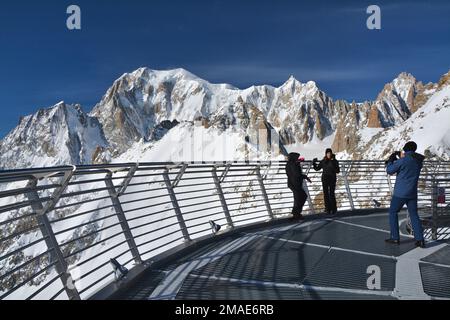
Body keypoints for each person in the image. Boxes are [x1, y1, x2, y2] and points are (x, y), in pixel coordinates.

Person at [385, 141, 426, 248]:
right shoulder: (418, 161)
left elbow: (390, 171)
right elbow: (409, 166)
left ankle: (395, 238)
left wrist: (391, 160)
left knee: (393, 212)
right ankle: (420, 239)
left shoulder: (403, 161)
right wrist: (400, 158)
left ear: (406, 149)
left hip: (400, 193)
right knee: (414, 215)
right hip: (412, 193)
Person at [313, 148, 340, 214]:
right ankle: (327, 209)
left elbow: (338, 171)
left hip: (332, 178)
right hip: (325, 178)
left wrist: (332, 163)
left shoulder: (335, 161)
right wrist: (314, 163)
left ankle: (334, 209)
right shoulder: (323, 161)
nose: (329, 154)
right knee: (325, 194)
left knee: (331, 194)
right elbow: (317, 168)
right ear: (326, 154)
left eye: (330, 153)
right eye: (328, 153)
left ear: (331, 153)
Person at [285, 152, 312, 220]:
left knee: (298, 198)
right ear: (293, 157)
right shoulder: (293, 164)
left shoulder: (289, 164)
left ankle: (296, 214)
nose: (297, 159)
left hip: (293, 184)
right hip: (295, 184)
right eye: (297, 157)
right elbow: (297, 174)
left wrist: (297, 163)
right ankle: (296, 214)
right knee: (301, 197)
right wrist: (305, 176)